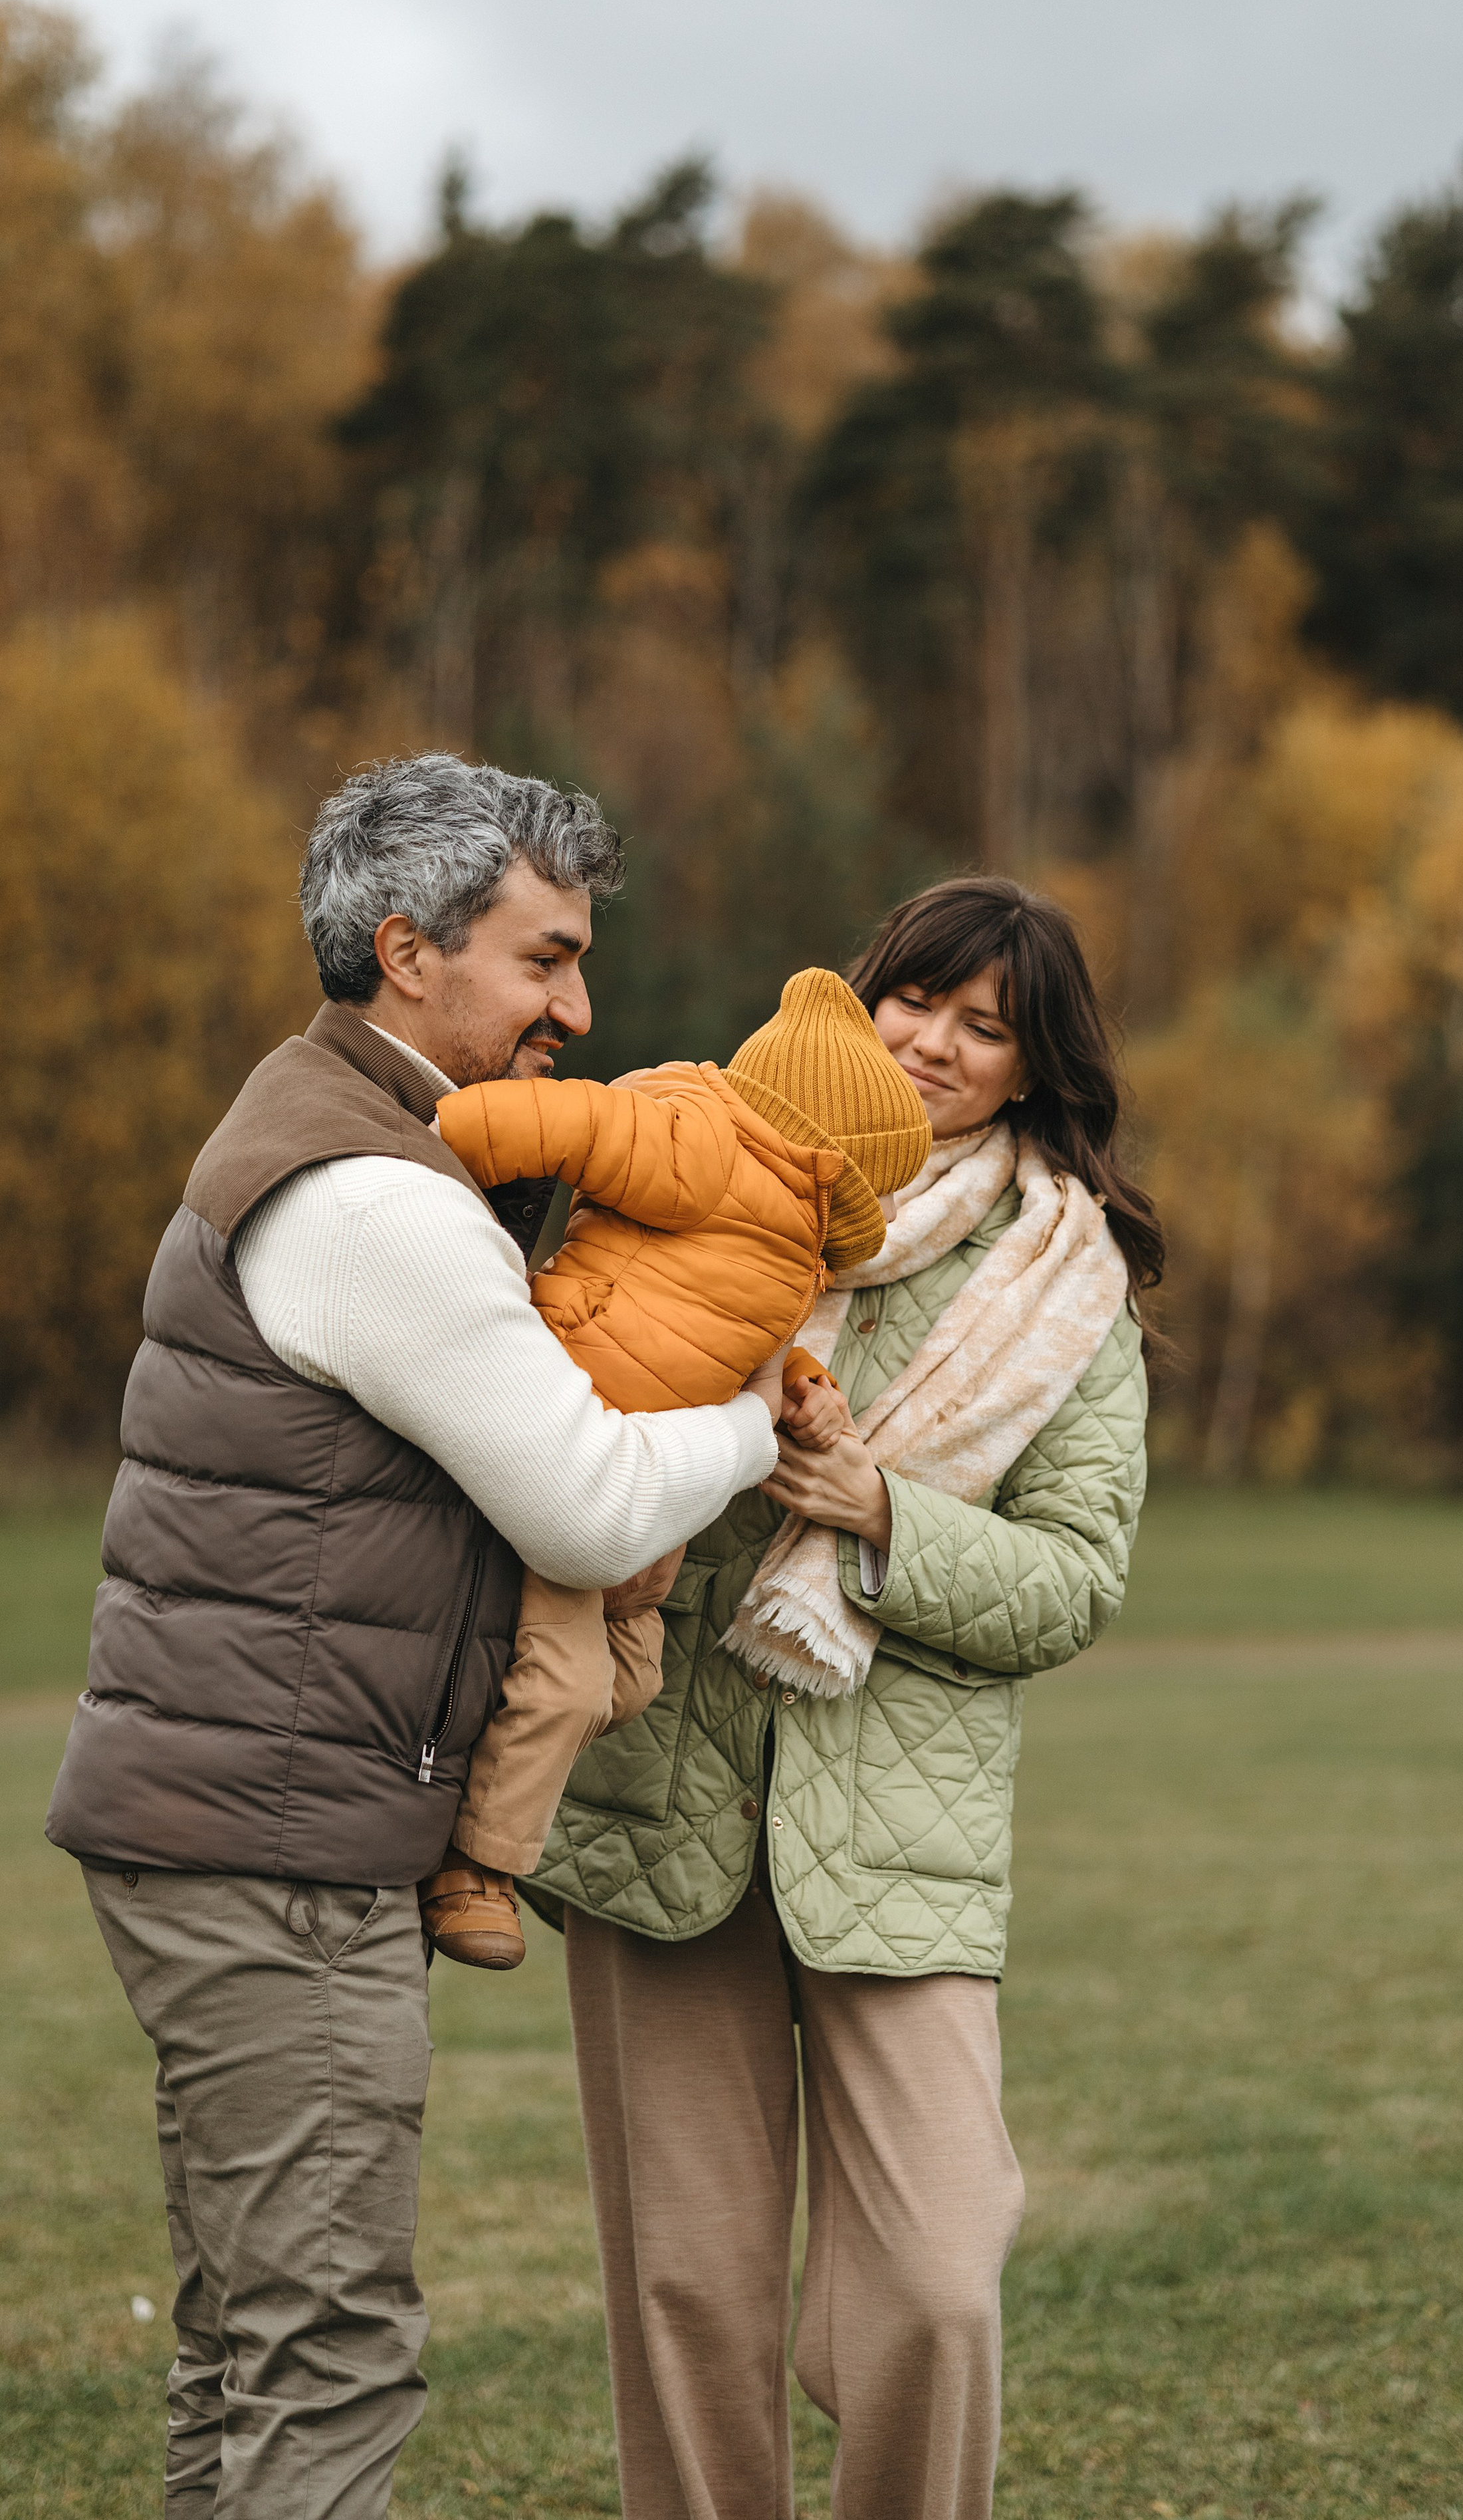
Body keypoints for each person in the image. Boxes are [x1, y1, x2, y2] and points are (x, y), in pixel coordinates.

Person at [44, 754, 786, 2520]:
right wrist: (762, 1416)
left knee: (246, 2338)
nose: (580, 1010)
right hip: (273, 1855)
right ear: (407, 951)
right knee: (328, 2352)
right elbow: (590, 1505)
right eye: (543, 962)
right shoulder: (373, 1202)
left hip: (236, 1832)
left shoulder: (337, 1133)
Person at [522, 875, 1163, 2520]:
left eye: (985, 1027)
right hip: (669, 1801)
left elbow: (1071, 1583)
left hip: (901, 1838)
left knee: (940, 2282)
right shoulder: (712, 1147)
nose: (936, 1044)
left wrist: (878, 1514)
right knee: (686, 2291)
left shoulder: (1063, 1281)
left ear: (1032, 1068)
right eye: (916, 1001)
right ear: (857, 998)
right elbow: (566, 1387)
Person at [417, 965, 931, 1966]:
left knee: (630, 1681)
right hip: (576, 1438)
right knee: (566, 1684)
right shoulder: (700, 1149)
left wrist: (806, 1386)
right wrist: (448, 1153)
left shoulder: (790, 1239)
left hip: (657, 1494)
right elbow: (569, 1125)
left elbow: (750, 1340)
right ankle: (476, 1870)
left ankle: (480, 1720)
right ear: (837, 1155)